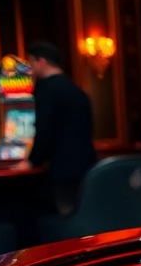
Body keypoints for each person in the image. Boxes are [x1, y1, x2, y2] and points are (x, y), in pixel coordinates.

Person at [27, 41, 96, 214]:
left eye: (31, 63)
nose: (30, 70)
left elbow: (44, 130)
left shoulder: (46, 89)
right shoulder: (77, 91)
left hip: (60, 174)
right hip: (86, 169)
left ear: (41, 62)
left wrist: (32, 162)